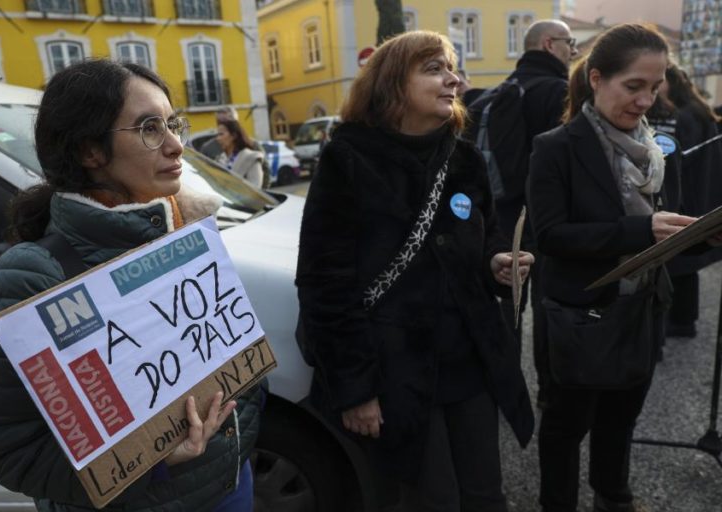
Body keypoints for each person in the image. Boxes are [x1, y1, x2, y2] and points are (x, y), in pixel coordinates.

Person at [0, 59, 264, 512]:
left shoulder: (189, 232)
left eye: (173, 124)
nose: (176, 145)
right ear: (90, 151)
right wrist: (153, 464)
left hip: (231, 487)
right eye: (149, 128)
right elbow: (8, 449)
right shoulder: (30, 276)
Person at [296, 30, 535, 512]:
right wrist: (356, 388)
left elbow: (482, 239)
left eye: (452, 69)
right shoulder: (348, 160)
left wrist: (497, 264)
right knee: (431, 500)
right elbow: (324, 286)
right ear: (390, 85)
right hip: (394, 371)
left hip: (469, 361)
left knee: (486, 495)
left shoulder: (463, 157)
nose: (454, 80)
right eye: (434, 69)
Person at [526, 24, 693, 512]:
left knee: (621, 418)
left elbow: (668, 225)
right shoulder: (555, 147)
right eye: (633, 86)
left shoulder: (660, 149)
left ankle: (613, 496)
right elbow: (552, 236)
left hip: (641, 306)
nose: (646, 100)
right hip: (581, 314)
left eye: (655, 86)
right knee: (565, 427)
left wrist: (697, 234)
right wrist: (641, 231)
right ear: (596, 79)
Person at [481, 18, 577, 407]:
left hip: (503, 216)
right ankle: (549, 391)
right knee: (547, 306)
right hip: (544, 217)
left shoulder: (502, 89)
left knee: (509, 305)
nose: (573, 52)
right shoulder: (557, 91)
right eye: (569, 43)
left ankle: (505, 390)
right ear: (549, 43)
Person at [657, 64, 722, 338]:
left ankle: (681, 322)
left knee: (681, 263)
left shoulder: (685, 116)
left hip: (691, 194)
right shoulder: (696, 110)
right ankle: (684, 320)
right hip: (703, 193)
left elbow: (681, 161)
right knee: (686, 265)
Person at [200, 107, 271, 188]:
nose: (224, 124)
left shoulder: (252, 145)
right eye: (220, 121)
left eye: (230, 121)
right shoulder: (208, 148)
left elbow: (265, 171)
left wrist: (264, 194)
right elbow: (204, 173)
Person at [216, 119, 265, 188]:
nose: (217, 138)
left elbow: (255, 189)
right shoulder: (221, 159)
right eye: (217, 135)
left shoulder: (250, 158)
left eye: (221, 134)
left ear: (233, 136)